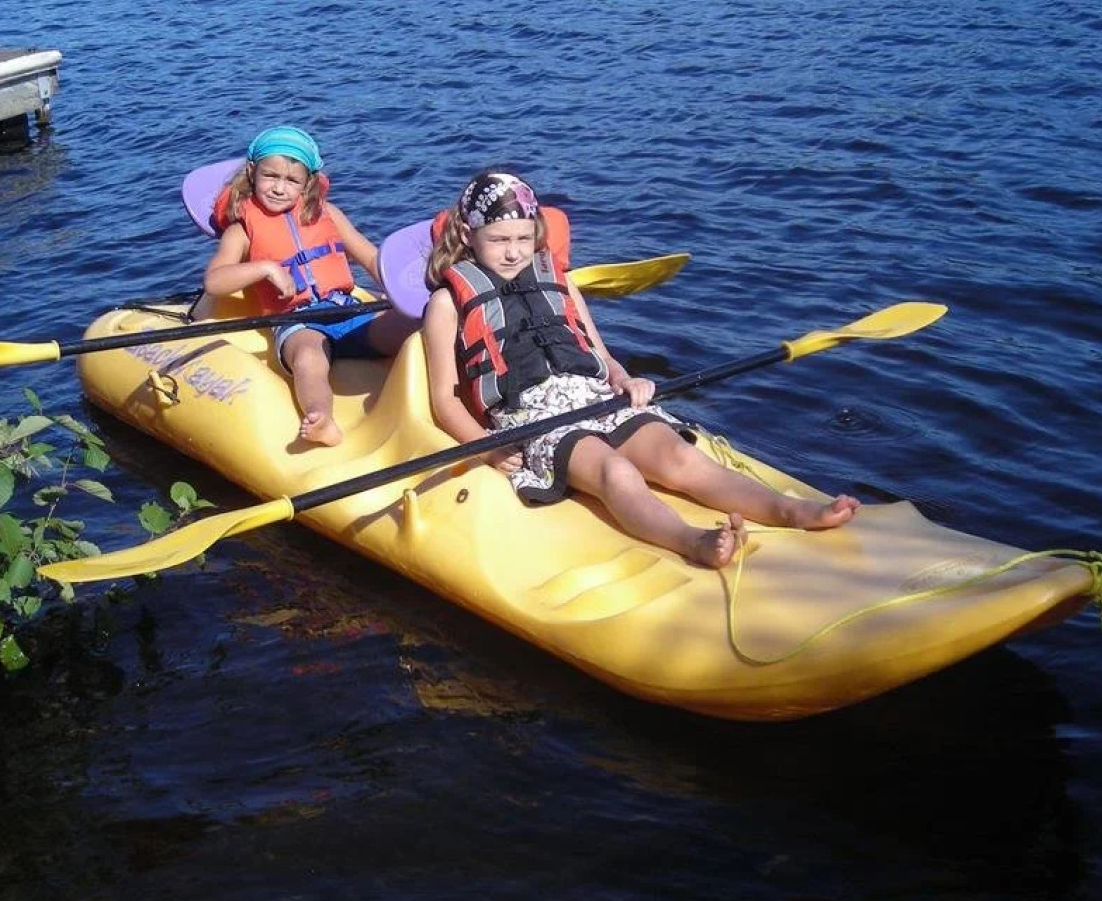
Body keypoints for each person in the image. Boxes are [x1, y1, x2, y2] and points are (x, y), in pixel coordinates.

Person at [421, 170, 860, 568]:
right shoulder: (446, 304)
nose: (514, 252)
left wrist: (625, 378)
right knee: (617, 472)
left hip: (595, 397)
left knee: (679, 456)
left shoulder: (558, 279)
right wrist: (487, 449)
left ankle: (790, 510)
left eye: (523, 238)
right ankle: (691, 541)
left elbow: (598, 351)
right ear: (467, 232)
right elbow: (445, 399)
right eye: (499, 240)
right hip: (533, 420)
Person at [204, 125, 413, 445]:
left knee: (414, 325)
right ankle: (320, 418)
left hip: (348, 312)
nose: (279, 188)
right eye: (270, 176)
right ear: (251, 172)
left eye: (291, 180)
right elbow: (215, 281)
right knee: (308, 359)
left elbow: (371, 259)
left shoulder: (327, 213)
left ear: (308, 183)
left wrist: (405, 295)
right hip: (297, 322)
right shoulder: (242, 229)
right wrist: (265, 268)